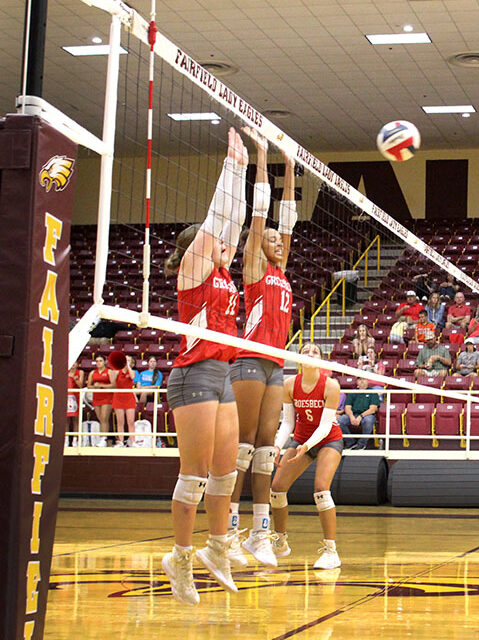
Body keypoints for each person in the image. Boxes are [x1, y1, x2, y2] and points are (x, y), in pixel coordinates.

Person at [160, 128, 249, 605]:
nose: (224, 244)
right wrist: (229, 170)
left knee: (224, 470)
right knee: (192, 474)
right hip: (193, 375)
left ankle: (217, 547)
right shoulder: (192, 271)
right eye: (216, 242)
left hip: (222, 374)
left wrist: (242, 169)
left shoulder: (222, 270)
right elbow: (219, 222)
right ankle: (180, 556)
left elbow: (230, 224)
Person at [226, 132, 297, 569]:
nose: (277, 241)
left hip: (275, 364)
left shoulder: (282, 270)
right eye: (271, 239)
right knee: (243, 446)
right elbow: (261, 217)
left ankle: (259, 535)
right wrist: (262, 157)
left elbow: (286, 219)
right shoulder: (254, 266)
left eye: (279, 241)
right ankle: (228, 532)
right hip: (249, 360)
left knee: (267, 448)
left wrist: (291, 167)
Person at [269, 342, 344, 570]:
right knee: (277, 488)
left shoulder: (331, 385)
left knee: (321, 488)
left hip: (328, 439)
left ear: (321, 360)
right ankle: (280, 541)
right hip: (302, 439)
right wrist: (277, 446)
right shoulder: (289, 384)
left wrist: (307, 445)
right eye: (305, 351)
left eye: (315, 351)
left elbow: (325, 424)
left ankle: (331, 551)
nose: (310, 354)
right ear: (299, 359)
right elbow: (288, 422)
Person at [338, 375, 381, 450]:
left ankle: (362, 444)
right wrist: (351, 417)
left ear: (368, 381)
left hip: (367, 415)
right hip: (353, 414)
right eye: (360, 379)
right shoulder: (353, 392)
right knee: (340, 421)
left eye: (364, 379)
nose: (362, 381)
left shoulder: (373, 392)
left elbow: (373, 409)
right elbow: (347, 407)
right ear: (357, 381)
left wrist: (360, 416)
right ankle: (350, 442)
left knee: (368, 420)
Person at [87, 355, 115, 445]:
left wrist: (102, 386)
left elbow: (113, 385)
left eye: (100, 361)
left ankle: (103, 439)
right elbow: (89, 385)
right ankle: (104, 437)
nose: (98, 363)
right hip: (97, 397)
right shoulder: (92, 373)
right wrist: (95, 386)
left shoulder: (109, 372)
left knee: (104, 418)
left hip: (107, 397)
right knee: (100, 419)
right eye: (97, 361)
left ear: (104, 362)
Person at [112, 354, 137, 447]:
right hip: (118, 397)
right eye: (125, 360)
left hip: (129, 397)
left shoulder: (133, 371)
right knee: (120, 421)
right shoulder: (117, 371)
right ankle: (121, 441)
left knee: (130, 421)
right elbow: (112, 380)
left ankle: (133, 441)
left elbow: (132, 377)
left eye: (129, 360)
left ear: (132, 363)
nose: (126, 362)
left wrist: (128, 366)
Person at [68, 361, 85, 445]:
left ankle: (75, 439)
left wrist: (74, 377)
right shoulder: (65, 371)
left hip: (76, 396)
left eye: (74, 363)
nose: (73, 365)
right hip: (67, 396)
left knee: (76, 419)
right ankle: (66, 439)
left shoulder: (80, 372)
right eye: (72, 363)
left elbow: (81, 385)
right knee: (66, 419)